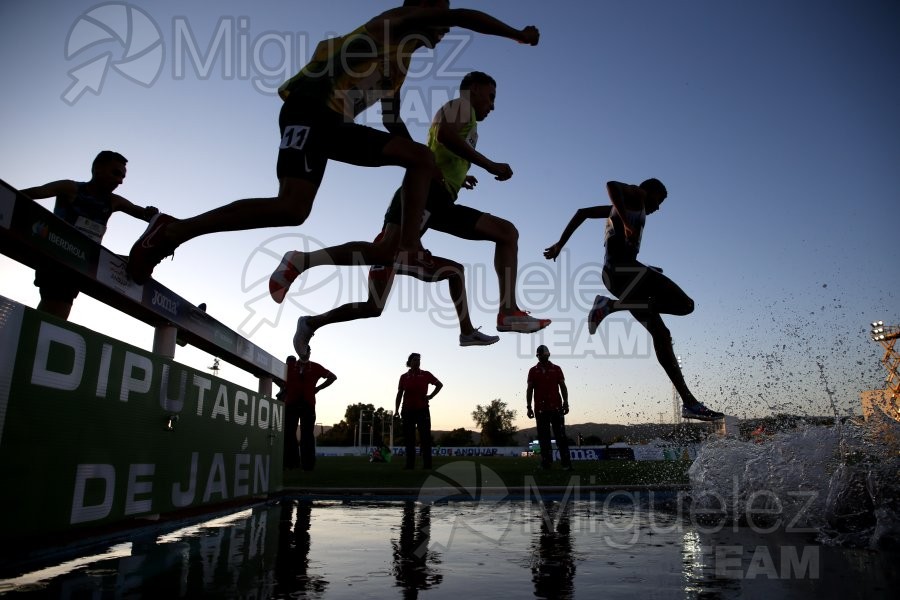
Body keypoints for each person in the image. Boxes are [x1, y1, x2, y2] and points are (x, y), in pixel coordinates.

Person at [126, 2, 539, 285]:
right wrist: (515, 34)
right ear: (424, 12)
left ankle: (172, 230)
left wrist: (423, 165)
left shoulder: (400, 63)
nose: (446, 29)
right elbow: (464, 16)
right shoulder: (391, 23)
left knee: (292, 209)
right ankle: (410, 248)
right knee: (292, 204)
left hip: (332, 125)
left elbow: (391, 119)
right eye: (441, 19)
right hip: (309, 110)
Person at [271, 71, 550, 342]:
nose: (492, 105)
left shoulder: (465, 117)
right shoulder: (461, 106)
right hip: (424, 196)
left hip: (439, 199)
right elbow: (443, 135)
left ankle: (507, 312)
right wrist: (490, 165)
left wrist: (460, 177)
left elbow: (441, 149)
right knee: (384, 255)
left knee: (506, 233)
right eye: (490, 97)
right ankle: (301, 261)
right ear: (474, 88)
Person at [544, 178, 724, 422]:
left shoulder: (619, 208)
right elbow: (611, 185)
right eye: (659, 201)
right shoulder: (636, 197)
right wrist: (628, 222)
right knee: (686, 305)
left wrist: (560, 244)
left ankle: (689, 403)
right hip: (623, 272)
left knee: (661, 335)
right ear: (649, 192)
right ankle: (611, 306)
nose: (658, 208)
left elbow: (582, 213)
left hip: (619, 277)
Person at [19, 151, 158, 319]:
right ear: (97, 169)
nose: (119, 181)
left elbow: (143, 213)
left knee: (56, 313)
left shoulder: (114, 201)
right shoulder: (70, 188)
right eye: (116, 173)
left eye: (122, 177)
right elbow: (31, 193)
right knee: (56, 308)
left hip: (84, 264)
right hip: (58, 258)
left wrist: (150, 213)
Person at [283, 350, 336, 470]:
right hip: (293, 403)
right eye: (303, 349)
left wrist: (318, 388)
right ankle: (293, 463)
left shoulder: (315, 366)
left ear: (309, 353)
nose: (305, 352)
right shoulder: (290, 366)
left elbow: (333, 377)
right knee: (290, 433)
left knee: (305, 434)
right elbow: (278, 377)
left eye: (307, 350)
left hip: (307, 404)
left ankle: (305, 465)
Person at [526, 345, 572, 470]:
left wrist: (566, 402)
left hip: (556, 408)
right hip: (540, 409)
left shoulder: (556, 369)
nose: (543, 356)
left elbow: (563, 386)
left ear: (548, 354)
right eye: (541, 355)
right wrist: (529, 407)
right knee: (543, 438)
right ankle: (546, 463)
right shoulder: (533, 370)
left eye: (545, 354)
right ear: (538, 356)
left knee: (561, 437)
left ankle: (566, 463)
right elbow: (529, 389)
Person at [395, 353, 442, 469]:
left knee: (425, 438)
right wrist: (396, 410)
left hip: (423, 410)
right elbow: (399, 394)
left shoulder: (426, 374)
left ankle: (427, 465)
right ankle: (409, 465)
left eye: (419, 360)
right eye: (415, 360)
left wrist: (430, 396)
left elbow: (439, 385)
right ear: (409, 362)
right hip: (407, 411)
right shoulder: (403, 377)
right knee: (409, 439)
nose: (417, 362)